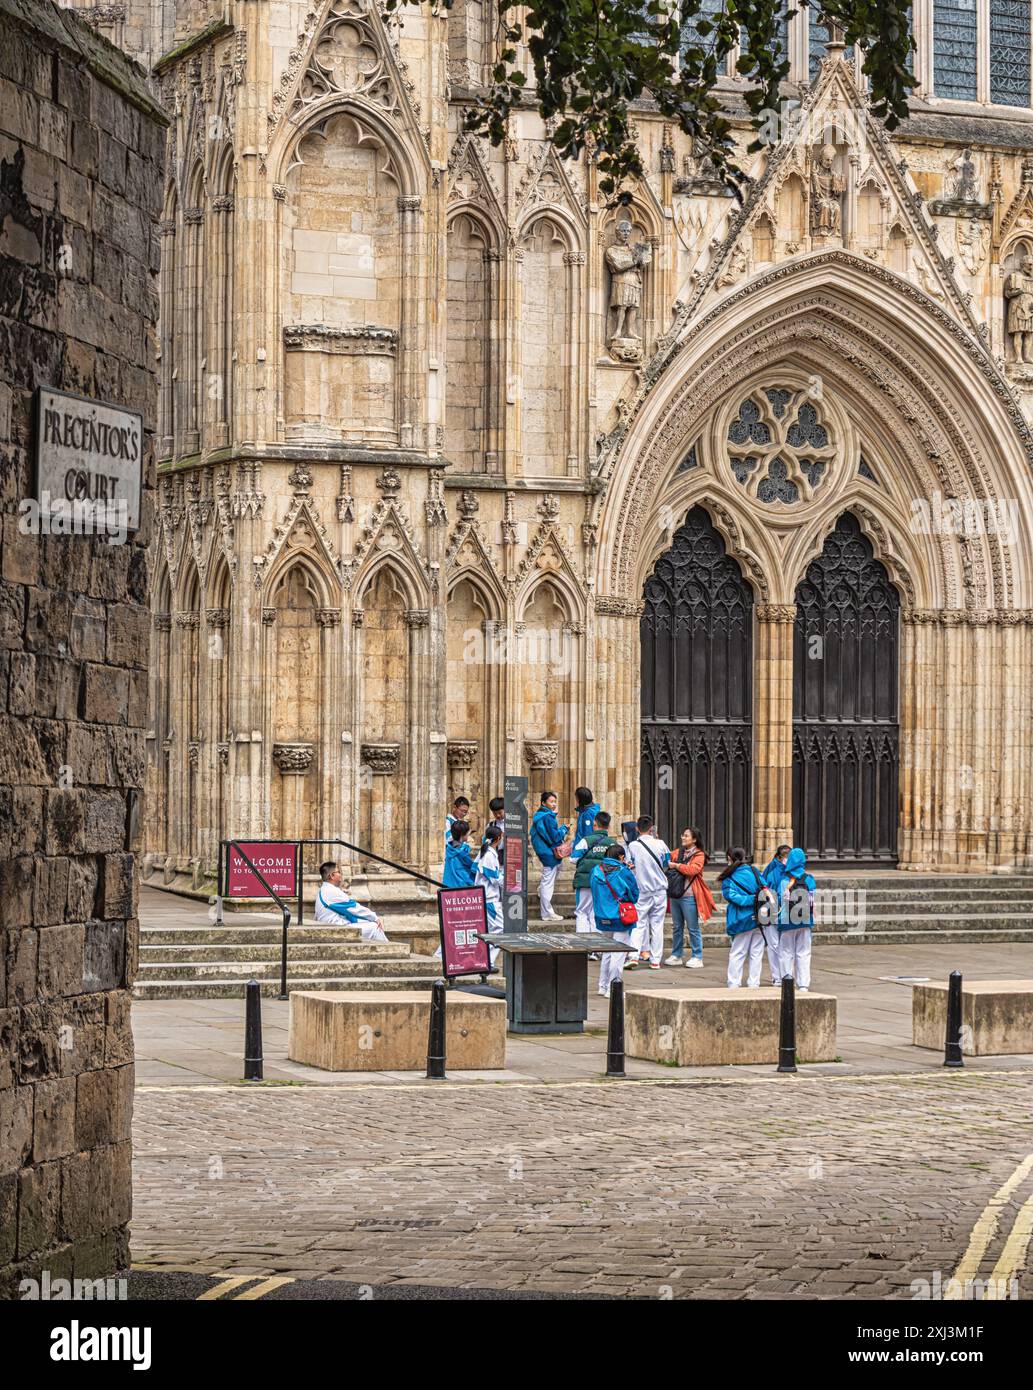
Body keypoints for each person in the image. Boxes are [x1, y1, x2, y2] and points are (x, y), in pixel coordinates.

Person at [591, 843, 640, 998]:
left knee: (606, 952)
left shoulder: (595, 870)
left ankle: (602, 985)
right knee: (618, 954)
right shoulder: (623, 872)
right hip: (619, 917)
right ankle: (614, 988)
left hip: (601, 916)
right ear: (621, 857)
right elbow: (634, 895)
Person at [719, 847, 769, 989]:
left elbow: (732, 896)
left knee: (738, 952)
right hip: (760, 918)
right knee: (756, 953)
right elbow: (766, 889)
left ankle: (733, 983)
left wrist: (750, 899)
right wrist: (757, 899)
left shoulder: (729, 877)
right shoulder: (755, 872)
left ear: (729, 858)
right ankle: (754, 983)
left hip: (741, 919)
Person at [664, 826, 714, 967]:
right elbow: (665, 858)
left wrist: (676, 865)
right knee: (676, 927)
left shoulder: (699, 855)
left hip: (689, 896)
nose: (683, 838)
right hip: (675, 894)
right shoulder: (678, 852)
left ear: (694, 839)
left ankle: (697, 956)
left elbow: (693, 870)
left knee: (693, 927)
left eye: (686, 836)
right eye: (683, 835)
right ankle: (676, 955)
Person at [626, 814, 671, 968]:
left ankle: (633, 955)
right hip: (659, 890)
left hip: (642, 890)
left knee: (639, 923)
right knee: (657, 925)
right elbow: (666, 863)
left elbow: (629, 863)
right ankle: (655, 960)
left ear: (637, 829)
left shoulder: (632, 846)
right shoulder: (661, 844)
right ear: (652, 829)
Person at [315, 860, 390, 942]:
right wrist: (375, 917)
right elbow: (354, 908)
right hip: (334, 930)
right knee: (375, 928)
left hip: (331, 927)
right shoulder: (331, 892)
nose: (340, 875)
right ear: (332, 875)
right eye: (338, 872)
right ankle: (391, 951)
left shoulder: (324, 890)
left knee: (367, 923)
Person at [570, 810, 618, 934]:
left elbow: (573, 859)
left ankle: (583, 946)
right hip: (603, 882)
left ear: (594, 824)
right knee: (596, 912)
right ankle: (596, 949)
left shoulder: (586, 841)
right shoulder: (612, 843)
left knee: (581, 911)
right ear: (608, 826)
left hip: (585, 882)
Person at [778, 847, 816, 991]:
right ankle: (803, 984)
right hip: (805, 919)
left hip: (788, 920)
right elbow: (812, 901)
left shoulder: (784, 880)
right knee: (804, 952)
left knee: (786, 951)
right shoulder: (809, 879)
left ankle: (787, 981)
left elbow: (781, 900)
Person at [530, 790, 569, 921]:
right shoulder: (547, 817)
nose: (553, 804)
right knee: (548, 882)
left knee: (556, 871)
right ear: (543, 803)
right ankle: (547, 913)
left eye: (554, 802)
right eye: (551, 802)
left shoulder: (540, 815)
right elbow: (554, 837)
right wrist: (564, 829)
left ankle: (542, 891)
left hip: (543, 850)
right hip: (549, 853)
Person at [762, 844, 792, 985]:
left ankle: (785, 975)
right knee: (774, 945)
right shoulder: (772, 870)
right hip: (773, 910)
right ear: (780, 857)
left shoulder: (791, 870)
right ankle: (777, 976)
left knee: (784, 945)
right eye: (786, 857)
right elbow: (765, 889)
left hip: (785, 911)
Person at [475, 823, 504, 967]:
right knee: (499, 929)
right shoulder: (488, 856)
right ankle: (488, 962)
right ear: (499, 838)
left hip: (488, 898)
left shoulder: (487, 853)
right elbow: (495, 878)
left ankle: (486, 960)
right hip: (489, 899)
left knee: (491, 929)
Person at [443, 819, 477, 889]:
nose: (469, 835)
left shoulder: (449, 848)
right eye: (468, 833)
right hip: (461, 888)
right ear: (462, 834)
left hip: (449, 886)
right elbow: (473, 869)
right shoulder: (462, 852)